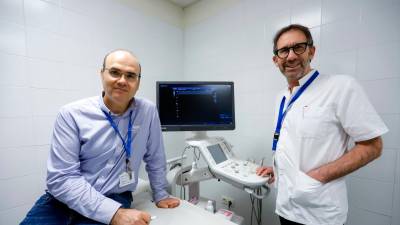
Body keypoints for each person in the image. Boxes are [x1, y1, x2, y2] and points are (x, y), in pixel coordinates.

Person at [21, 49, 180, 225]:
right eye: (114, 72)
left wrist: (161, 194)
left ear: (138, 82)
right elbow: (62, 178)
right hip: (61, 202)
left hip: (116, 196)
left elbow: (155, 157)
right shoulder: (71, 114)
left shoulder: (148, 111)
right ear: (102, 73)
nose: (122, 81)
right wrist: (115, 214)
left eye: (130, 76)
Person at [256, 24, 388, 225]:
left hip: (319, 215)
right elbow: (296, 145)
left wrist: (315, 178)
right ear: (276, 60)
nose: (291, 56)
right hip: (285, 207)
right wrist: (277, 169)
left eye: (298, 47)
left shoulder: (340, 87)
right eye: (283, 51)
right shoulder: (282, 98)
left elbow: (373, 146)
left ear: (312, 51)